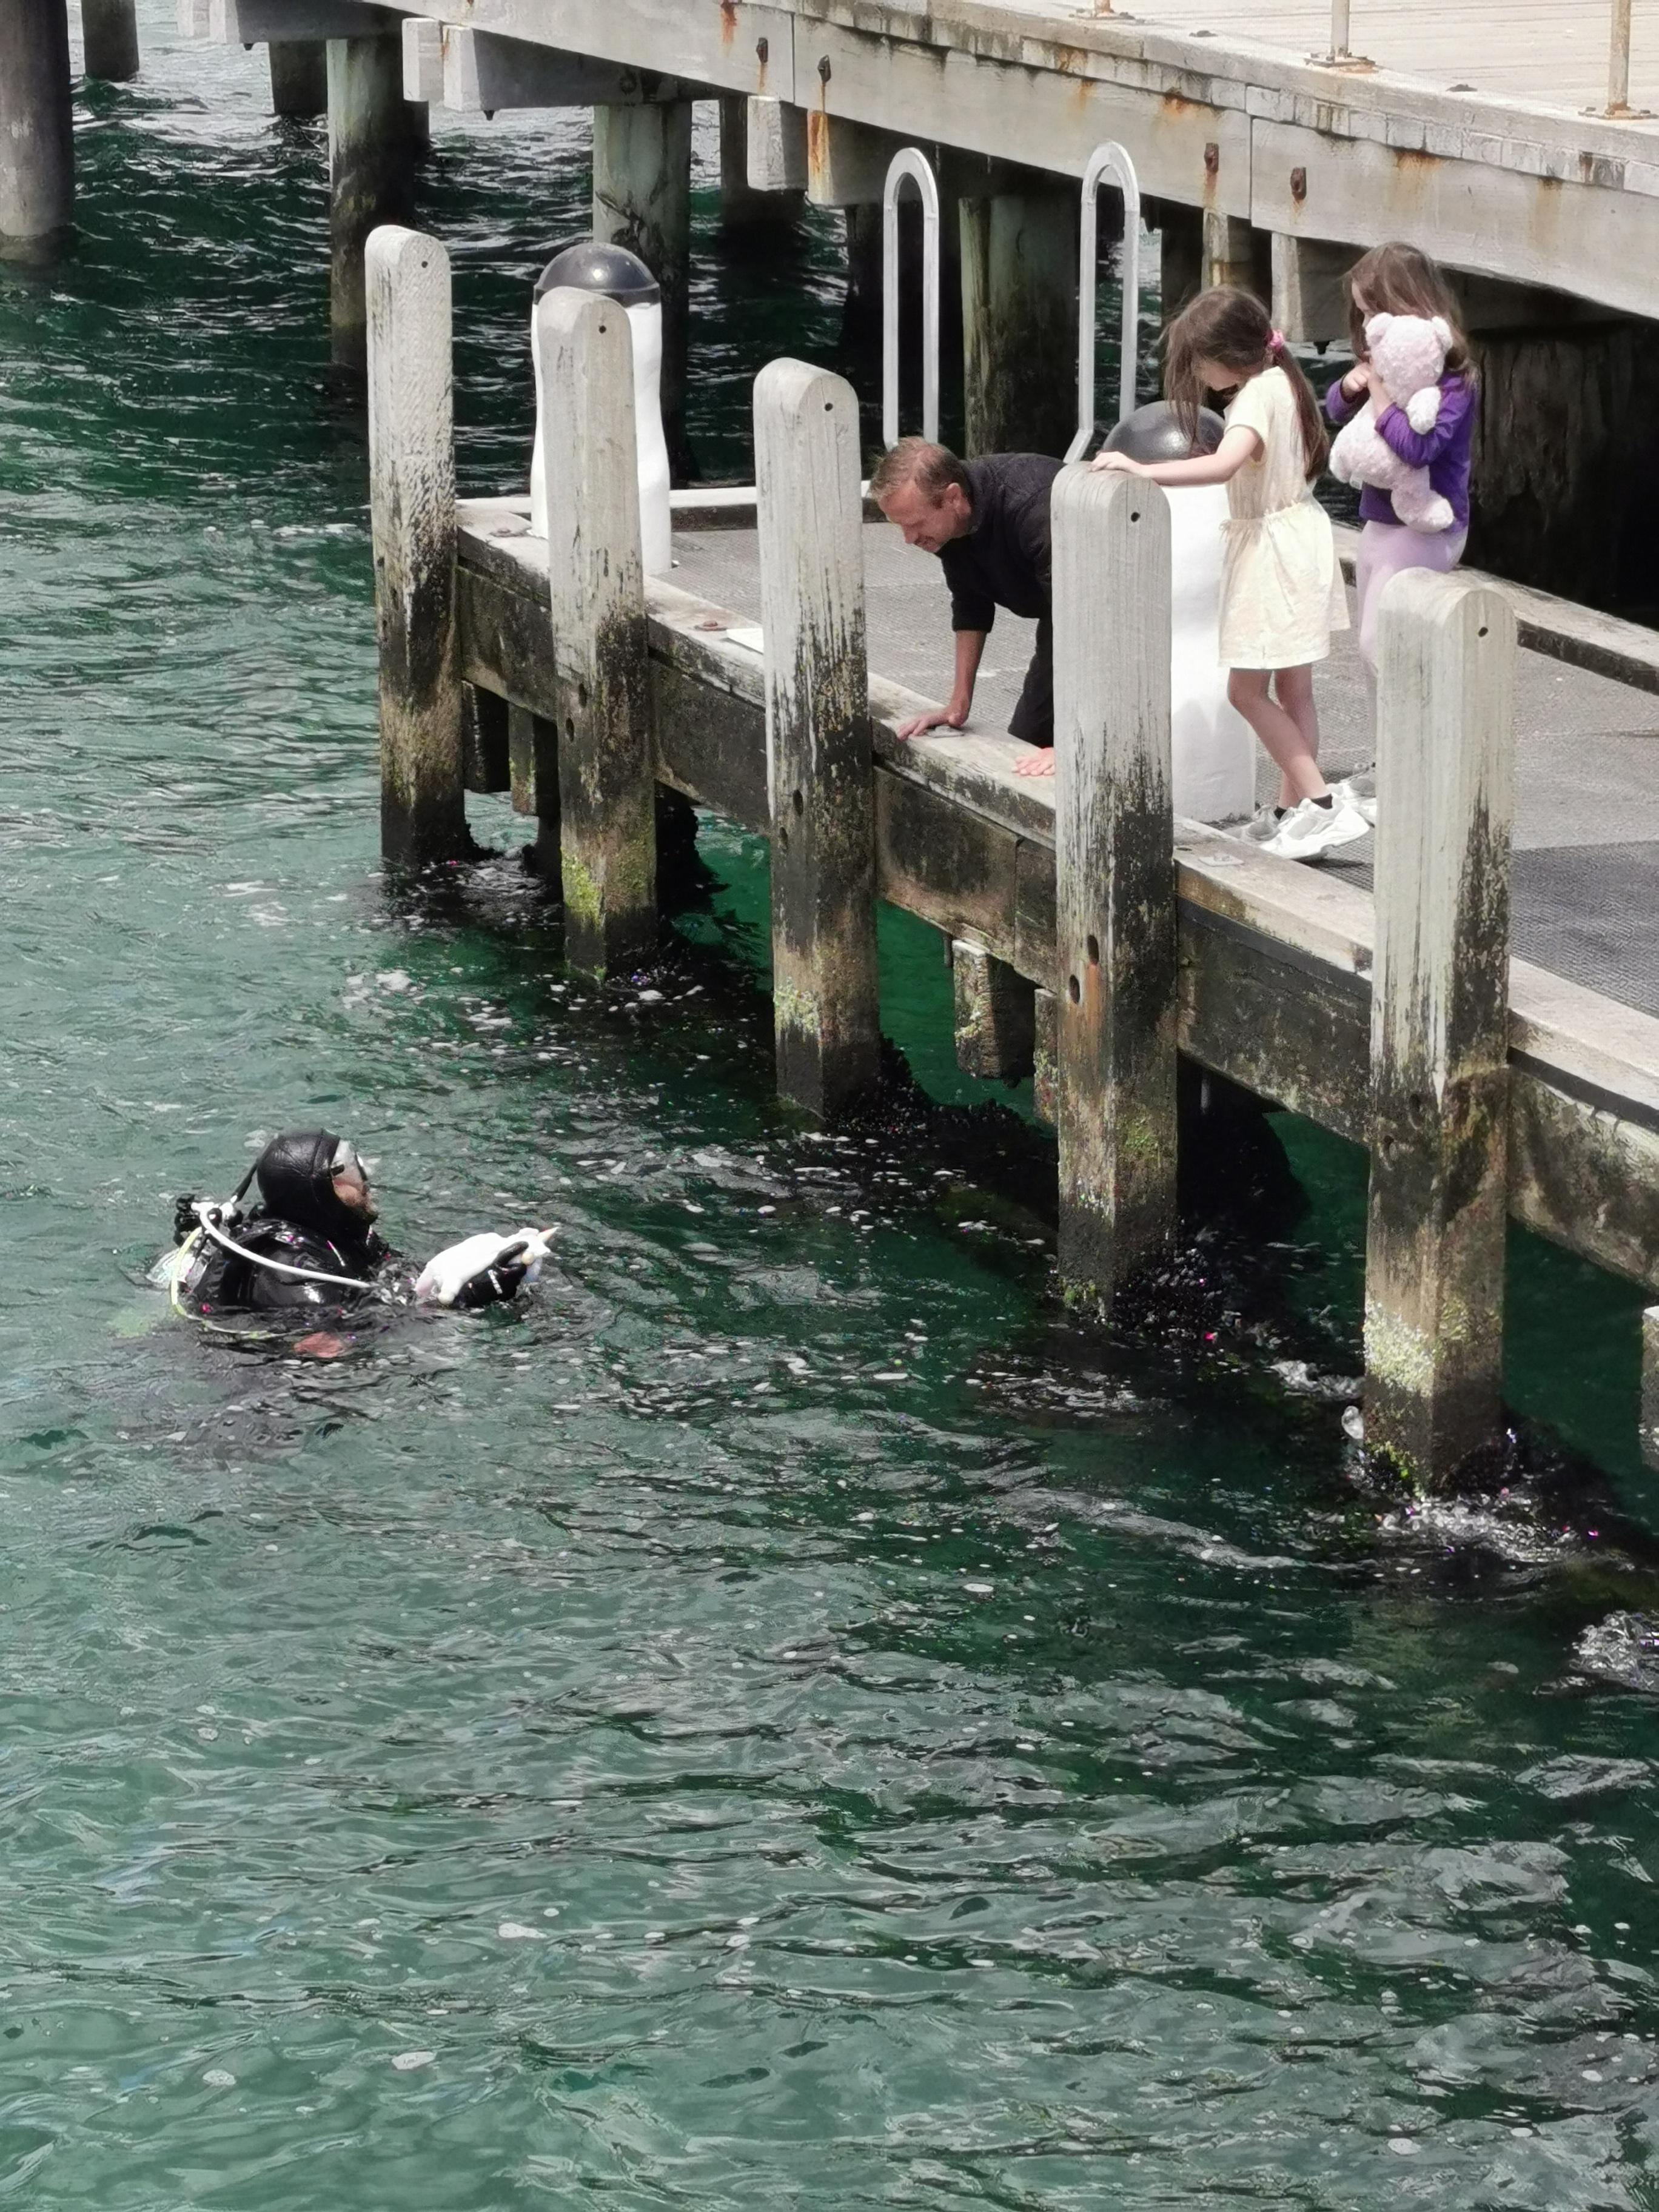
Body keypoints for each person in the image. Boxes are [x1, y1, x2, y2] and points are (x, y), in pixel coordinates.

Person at [1092, 288, 1368, 863]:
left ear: (1225, 355)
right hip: (1300, 537)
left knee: (1244, 692)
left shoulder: (1249, 403)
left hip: (1270, 551)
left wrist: (1140, 468)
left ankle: (1319, 806)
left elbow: (1223, 463)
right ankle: (1292, 817)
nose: (1195, 373)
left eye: (1197, 359)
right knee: (1296, 692)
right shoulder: (1283, 381)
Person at [164, 1129, 551, 1338]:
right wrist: (459, 1305)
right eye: (347, 1172)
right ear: (316, 1193)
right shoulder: (289, 1272)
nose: (364, 1178)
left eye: (356, 1163)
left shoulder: (343, 1232)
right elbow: (329, 1354)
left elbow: (396, 1281)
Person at [1326, 241, 1476, 674]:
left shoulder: (1455, 383)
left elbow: (1418, 449)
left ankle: (1419, 735)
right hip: (1380, 519)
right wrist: (1352, 387)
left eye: (1375, 311)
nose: (1371, 325)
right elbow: (1336, 410)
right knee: (1368, 648)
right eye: (1365, 315)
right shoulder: (1384, 365)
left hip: (1427, 526)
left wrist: (1378, 395)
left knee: (1383, 645)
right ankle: (1383, 742)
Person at [870, 438, 1062, 777]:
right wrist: (957, 706)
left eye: (914, 523)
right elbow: (971, 605)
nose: (908, 539)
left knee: (1058, 753)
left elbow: (1085, 632)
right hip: (1061, 614)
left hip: (1119, 609)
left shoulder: (1034, 507)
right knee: (1024, 748)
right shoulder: (950, 529)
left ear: (953, 497)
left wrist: (1075, 745)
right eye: (899, 525)